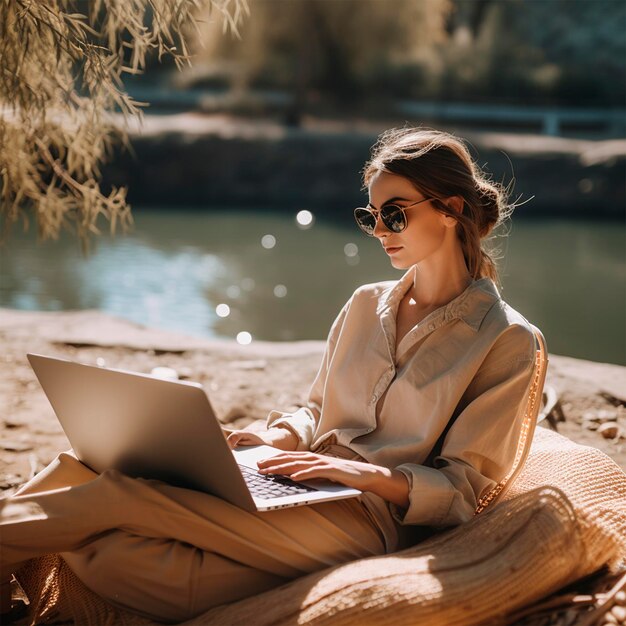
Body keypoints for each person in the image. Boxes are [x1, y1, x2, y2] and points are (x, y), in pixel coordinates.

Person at [0, 126, 542, 623]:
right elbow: (315, 409)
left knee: (122, 496)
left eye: (394, 214)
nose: (378, 231)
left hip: (366, 519)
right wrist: (274, 436)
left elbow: (462, 492)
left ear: (449, 209)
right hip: (295, 484)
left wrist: (365, 476)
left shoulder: (507, 340)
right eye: (369, 216)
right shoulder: (363, 304)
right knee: (86, 479)